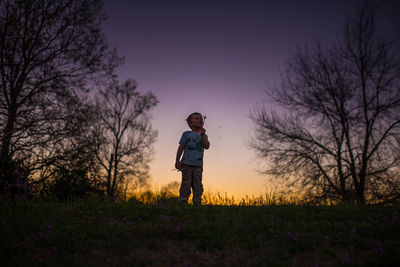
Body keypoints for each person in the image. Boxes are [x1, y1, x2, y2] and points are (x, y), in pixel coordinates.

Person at [175, 112, 210, 205]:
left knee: (197, 185)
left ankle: (197, 203)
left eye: (201, 118)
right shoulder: (186, 134)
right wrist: (177, 160)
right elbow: (181, 147)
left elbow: (207, 146)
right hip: (186, 164)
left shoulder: (204, 135)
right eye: (196, 118)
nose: (200, 119)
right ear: (190, 124)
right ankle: (183, 202)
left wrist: (202, 136)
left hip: (198, 165)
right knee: (186, 184)